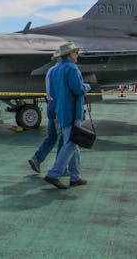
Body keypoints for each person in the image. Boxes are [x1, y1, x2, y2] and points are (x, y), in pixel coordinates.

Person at [43, 42, 90, 189]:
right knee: (71, 143)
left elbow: (54, 93)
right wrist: (87, 86)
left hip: (61, 111)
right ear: (69, 54)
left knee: (73, 143)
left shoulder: (55, 70)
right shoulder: (71, 68)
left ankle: (75, 177)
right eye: (76, 52)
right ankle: (54, 173)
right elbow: (77, 89)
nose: (77, 55)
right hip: (72, 111)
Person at [28, 56, 63, 173]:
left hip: (51, 105)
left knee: (52, 136)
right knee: (64, 138)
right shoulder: (64, 70)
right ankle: (60, 167)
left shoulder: (51, 70)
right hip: (59, 105)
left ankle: (37, 158)